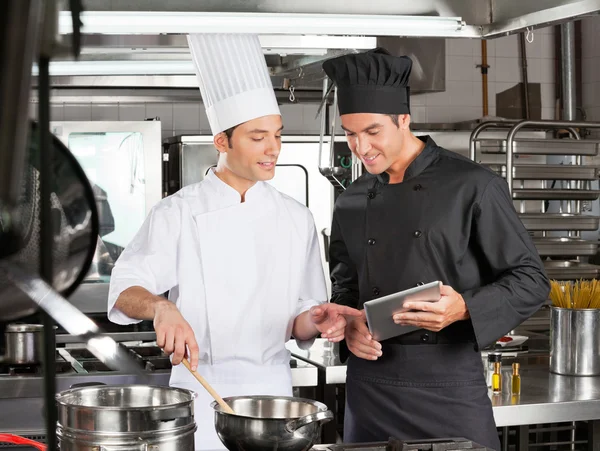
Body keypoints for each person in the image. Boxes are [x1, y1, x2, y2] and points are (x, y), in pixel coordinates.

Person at [107, 34, 360, 451]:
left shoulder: (297, 218)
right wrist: (160, 306)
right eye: (258, 137)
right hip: (198, 392)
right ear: (222, 142)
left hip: (273, 398)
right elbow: (125, 289)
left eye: (276, 135)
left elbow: (301, 317)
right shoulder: (178, 213)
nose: (273, 149)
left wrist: (318, 320)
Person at [322, 48, 550, 450]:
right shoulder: (351, 199)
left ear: (404, 120)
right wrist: (350, 328)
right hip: (369, 388)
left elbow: (531, 281)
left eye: (373, 132)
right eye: (350, 133)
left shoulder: (473, 186)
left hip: (447, 386)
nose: (361, 147)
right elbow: (346, 287)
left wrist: (464, 307)